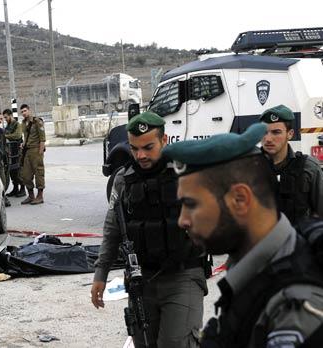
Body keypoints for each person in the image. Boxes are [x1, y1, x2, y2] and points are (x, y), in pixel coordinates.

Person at [163, 123, 323, 347]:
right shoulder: (259, 271)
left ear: (240, 199)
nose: (183, 220)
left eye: (191, 204)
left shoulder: (294, 312)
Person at [91, 111, 207, 348]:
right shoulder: (124, 180)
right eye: (134, 149)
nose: (140, 155)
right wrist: (100, 274)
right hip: (141, 280)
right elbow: (113, 228)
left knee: (175, 343)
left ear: (164, 141)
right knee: (144, 343)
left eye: (148, 147)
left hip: (183, 276)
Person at [259, 104, 323, 224]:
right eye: (264, 132)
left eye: (276, 132)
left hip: (298, 241)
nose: (268, 139)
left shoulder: (308, 167)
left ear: (290, 134)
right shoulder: (248, 167)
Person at [19, 104, 46, 205]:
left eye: (25, 111)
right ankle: (31, 196)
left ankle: (40, 196)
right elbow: (25, 137)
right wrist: (23, 144)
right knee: (25, 175)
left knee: (39, 173)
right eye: (22, 112)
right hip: (27, 151)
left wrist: (40, 153)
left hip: (36, 150)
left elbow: (42, 139)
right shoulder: (23, 123)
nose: (24, 113)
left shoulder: (37, 121)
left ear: (29, 110)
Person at [3, 108, 25, 198]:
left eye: (6, 117)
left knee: (18, 170)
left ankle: (22, 189)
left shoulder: (17, 124)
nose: (5, 119)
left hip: (17, 151)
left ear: (11, 115)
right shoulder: (8, 125)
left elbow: (18, 135)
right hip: (11, 151)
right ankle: (15, 188)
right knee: (12, 170)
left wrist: (6, 136)